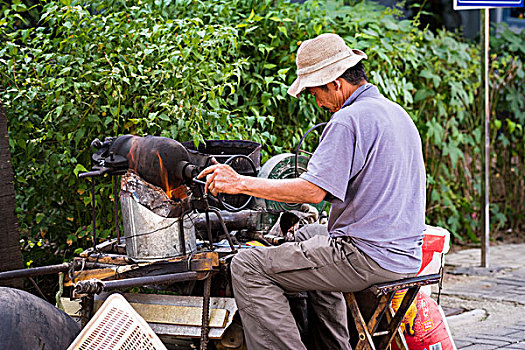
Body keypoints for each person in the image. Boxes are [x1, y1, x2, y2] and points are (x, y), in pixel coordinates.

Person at [197, 33, 426, 350]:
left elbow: (311, 192)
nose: (315, 100)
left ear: (334, 83)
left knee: (247, 267)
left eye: (315, 90)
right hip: (404, 252)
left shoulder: (347, 120)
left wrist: (241, 183)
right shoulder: (395, 112)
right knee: (308, 234)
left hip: (367, 256)